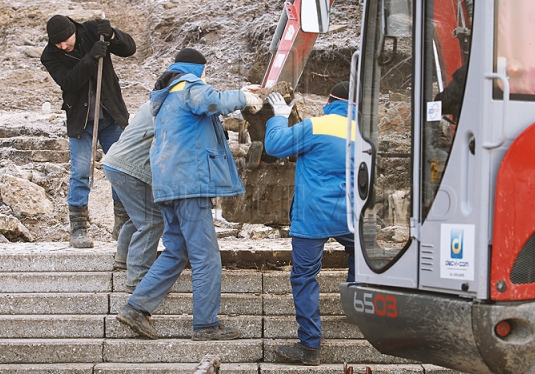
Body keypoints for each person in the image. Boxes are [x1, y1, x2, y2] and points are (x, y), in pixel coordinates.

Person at [116, 48, 263, 340]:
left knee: (176, 251)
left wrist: (239, 93)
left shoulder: (168, 94)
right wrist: (243, 98)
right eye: (205, 72)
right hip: (188, 186)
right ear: (198, 69)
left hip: (167, 185)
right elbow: (210, 100)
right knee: (206, 256)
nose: (206, 78)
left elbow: (200, 116)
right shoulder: (189, 84)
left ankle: (136, 308)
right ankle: (206, 324)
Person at [264, 82, 356, 366]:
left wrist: (279, 116)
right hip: (351, 213)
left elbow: (275, 146)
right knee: (362, 256)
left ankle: (310, 345)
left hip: (313, 214)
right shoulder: (364, 131)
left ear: (330, 101)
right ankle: (356, 311)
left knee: (304, 277)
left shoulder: (317, 125)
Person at [41, 15, 136, 248]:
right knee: (81, 172)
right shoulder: (50, 56)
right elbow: (69, 81)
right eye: (58, 44)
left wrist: (113, 34)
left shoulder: (94, 30)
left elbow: (129, 49)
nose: (63, 46)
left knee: (120, 170)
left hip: (110, 116)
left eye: (66, 40)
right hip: (81, 122)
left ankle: (122, 224)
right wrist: (91, 56)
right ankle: (79, 228)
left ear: (74, 29)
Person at [101, 101, 164, 291]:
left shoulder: (155, 102)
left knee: (140, 214)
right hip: (129, 169)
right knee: (151, 221)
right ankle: (139, 279)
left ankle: (123, 257)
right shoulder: (168, 107)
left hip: (115, 163)